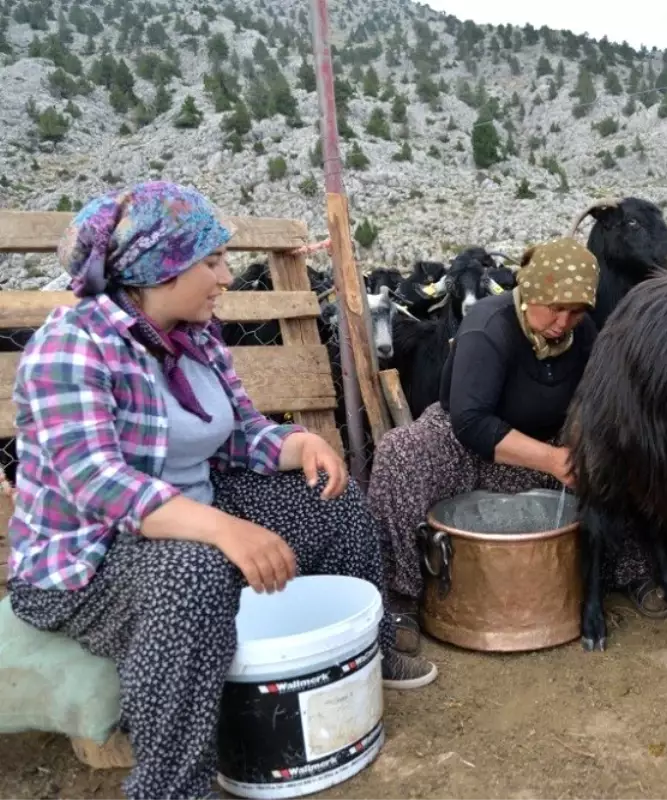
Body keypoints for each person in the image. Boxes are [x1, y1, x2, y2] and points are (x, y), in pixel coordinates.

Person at [4, 182, 431, 800]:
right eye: (211, 262)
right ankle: (172, 786)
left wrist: (296, 445)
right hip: (86, 563)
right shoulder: (72, 346)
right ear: (160, 269)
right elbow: (100, 485)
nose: (227, 276)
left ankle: (367, 649)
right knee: (194, 570)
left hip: (197, 516)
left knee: (328, 499)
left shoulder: (195, 336)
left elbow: (236, 436)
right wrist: (223, 530)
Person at [369, 237, 667, 628]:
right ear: (531, 293)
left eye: (577, 312)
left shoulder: (582, 336)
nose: (563, 323)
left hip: (549, 445)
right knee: (400, 451)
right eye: (555, 309)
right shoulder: (487, 327)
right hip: (464, 450)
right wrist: (553, 460)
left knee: (635, 453)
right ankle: (400, 599)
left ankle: (637, 571)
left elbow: (599, 398)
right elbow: (471, 422)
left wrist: (590, 447)